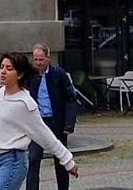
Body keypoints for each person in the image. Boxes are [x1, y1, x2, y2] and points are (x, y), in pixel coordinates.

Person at [0, 53, 78, 190]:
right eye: (2, 67)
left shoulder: (25, 103)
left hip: (12, 161)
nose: (3, 71)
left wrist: (67, 161)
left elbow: (44, 134)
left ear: (20, 75)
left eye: (9, 69)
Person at [24, 44, 79, 190]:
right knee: (34, 158)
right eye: (36, 59)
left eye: (41, 59)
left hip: (57, 122)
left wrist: (69, 123)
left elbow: (70, 99)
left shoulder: (59, 74)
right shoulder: (30, 76)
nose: (38, 63)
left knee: (60, 159)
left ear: (48, 58)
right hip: (37, 123)